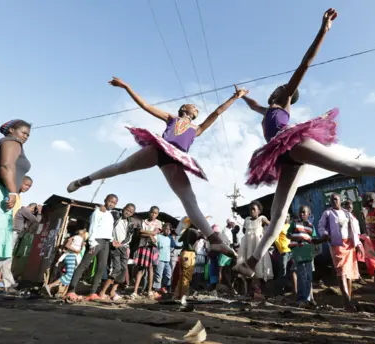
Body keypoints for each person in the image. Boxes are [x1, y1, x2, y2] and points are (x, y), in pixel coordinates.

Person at [233, 8, 375, 280]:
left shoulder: (283, 103)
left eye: (283, 89)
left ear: (288, 95)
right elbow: (257, 106)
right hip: (283, 156)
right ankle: (252, 261)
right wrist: (242, 97)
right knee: (279, 213)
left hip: (291, 141)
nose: (278, 89)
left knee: (349, 166)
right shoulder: (269, 108)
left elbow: (305, 64)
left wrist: (323, 30)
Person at [66, 77, 249, 258]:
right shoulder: (172, 118)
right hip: (159, 149)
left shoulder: (197, 129)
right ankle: (86, 180)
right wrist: (126, 86)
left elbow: (217, 113)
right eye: (194, 106)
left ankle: (214, 239)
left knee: (190, 200)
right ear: (184, 108)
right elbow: (145, 105)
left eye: (198, 109)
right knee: (122, 167)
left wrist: (235, 97)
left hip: (175, 159)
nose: (197, 109)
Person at [0, 120, 32, 294]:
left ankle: (7, 283)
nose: (25, 137)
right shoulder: (12, 142)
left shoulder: (11, 143)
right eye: (23, 132)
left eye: (28, 135)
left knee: (1, 244)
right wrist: (12, 192)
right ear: (11, 130)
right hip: (2, 192)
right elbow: (6, 165)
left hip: (3, 192)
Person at [66, 194, 118, 302]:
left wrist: (112, 240)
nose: (111, 204)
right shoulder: (98, 212)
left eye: (114, 203)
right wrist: (92, 242)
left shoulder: (110, 215)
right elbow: (93, 227)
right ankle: (71, 291)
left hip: (106, 242)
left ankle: (93, 293)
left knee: (101, 267)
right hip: (96, 241)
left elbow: (107, 230)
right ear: (105, 200)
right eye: (110, 201)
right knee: (84, 264)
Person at [318, 195, 362, 311]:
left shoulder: (347, 213)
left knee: (349, 273)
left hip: (349, 245)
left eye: (336, 199)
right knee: (341, 271)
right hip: (337, 244)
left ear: (340, 200)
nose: (334, 201)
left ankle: (348, 299)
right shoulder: (327, 213)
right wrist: (325, 235)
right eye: (332, 200)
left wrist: (359, 244)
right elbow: (321, 226)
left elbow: (354, 229)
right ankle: (346, 301)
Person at [100, 203, 137, 301]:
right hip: (113, 246)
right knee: (116, 269)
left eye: (130, 212)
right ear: (123, 208)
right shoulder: (115, 215)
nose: (127, 212)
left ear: (132, 214)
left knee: (123, 269)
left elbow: (129, 237)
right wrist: (112, 240)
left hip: (123, 247)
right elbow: (106, 214)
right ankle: (102, 292)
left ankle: (113, 290)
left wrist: (121, 244)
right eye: (127, 210)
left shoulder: (130, 223)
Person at [237, 201, 273, 297]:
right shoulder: (247, 220)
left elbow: (271, 226)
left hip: (257, 247)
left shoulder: (262, 218)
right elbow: (244, 231)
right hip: (248, 247)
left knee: (258, 268)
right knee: (248, 268)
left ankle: (258, 291)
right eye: (250, 209)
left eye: (254, 209)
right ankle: (249, 291)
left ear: (259, 211)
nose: (251, 211)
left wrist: (264, 236)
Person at [287, 205, 319, 307]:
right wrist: (296, 238)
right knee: (301, 275)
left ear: (308, 214)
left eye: (304, 212)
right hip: (298, 251)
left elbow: (314, 238)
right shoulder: (295, 224)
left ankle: (307, 298)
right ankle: (301, 299)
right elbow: (288, 235)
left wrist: (316, 246)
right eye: (300, 212)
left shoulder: (311, 226)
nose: (302, 214)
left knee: (308, 275)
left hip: (308, 252)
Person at [44, 223, 87, 297]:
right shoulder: (76, 237)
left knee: (70, 275)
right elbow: (67, 246)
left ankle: (61, 291)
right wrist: (76, 251)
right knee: (69, 275)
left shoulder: (78, 239)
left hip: (71, 257)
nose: (84, 232)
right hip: (71, 256)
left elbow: (67, 247)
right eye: (83, 231)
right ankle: (50, 286)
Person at [132, 206, 161, 298]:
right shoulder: (143, 221)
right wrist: (149, 233)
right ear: (149, 212)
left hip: (152, 247)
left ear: (157, 214)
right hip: (143, 246)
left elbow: (154, 233)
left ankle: (149, 291)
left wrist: (145, 232)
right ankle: (135, 291)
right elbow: (139, 232)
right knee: (140, 269)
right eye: (152, 212)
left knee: (150, 269)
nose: (153, 214)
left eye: (155, 213)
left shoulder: (158, 223)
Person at [174, 226, 204, 304]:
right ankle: (183, 297)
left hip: (183, 253)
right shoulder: (194, 231)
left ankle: (177, 295)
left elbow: (180, 240)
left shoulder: (187, 231)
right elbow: (202, 236)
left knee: (181, 277)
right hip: (189, 254)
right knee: (186, 278)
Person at [274, 213, 292, 295]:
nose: (286, 218)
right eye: (285, 216)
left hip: (292, 251)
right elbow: (276, 239)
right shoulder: (279, 226)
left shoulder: (291, 226)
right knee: (283, 270)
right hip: (284, 251)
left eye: (287, 216)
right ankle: (280, 289)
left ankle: (288, 288)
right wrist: (281, 250)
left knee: (290, 269)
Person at [154, 223, 172, 293]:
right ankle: (156, 289)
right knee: (159, 275)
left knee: (168, 274)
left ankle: (164, 287)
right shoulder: (158, 236)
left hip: (167, 260)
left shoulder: (169, 239)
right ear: (163, 229)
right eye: (167, 229)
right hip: (160, 259)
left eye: (169, 229)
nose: (168, 231)